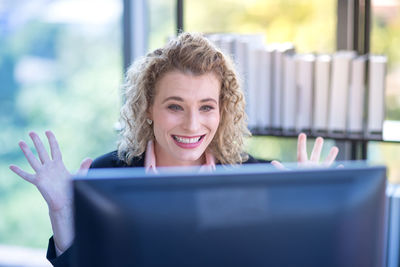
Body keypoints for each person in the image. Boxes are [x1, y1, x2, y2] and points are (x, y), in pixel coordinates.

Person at [9, 32, 339, 266]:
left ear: (222, 111)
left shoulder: (257, 178)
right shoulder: (106, 177)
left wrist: (312, 214)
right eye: (175, 107)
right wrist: (63, 212)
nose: (192, 125)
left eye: (206, 107)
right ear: (148, 109)